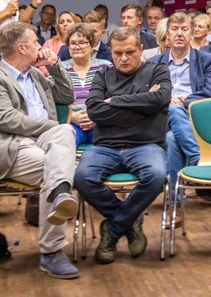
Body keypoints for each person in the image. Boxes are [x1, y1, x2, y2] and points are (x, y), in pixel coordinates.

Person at [0, 22, 79, 279]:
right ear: (22, 48)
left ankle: (60, 195)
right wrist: (51, 126)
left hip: (44, 141)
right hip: (12, 144)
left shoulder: (36, 74)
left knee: (66, 132)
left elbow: (67, 96)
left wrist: (54, 65)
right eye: (35, 42)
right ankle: (52, 250)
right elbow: (8, 120)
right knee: (56, 169)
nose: (40, 46)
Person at [75, 27, 171, 264]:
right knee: (82, 178)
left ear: (141, 49)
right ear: (111, 52)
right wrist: (143, 107)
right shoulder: (102, 76)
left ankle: (113, 228)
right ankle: (129, 221)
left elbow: (161, 98)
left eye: (129, 52)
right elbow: (95, 110)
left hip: (146, 145)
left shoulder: (157, 70)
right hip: (105, 147)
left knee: (157, 176)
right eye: (118, 53)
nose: (124, 58)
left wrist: (114, 101)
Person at [149, 13, 211, 192]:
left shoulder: (206, 60)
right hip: (163, 118)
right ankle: (197, 159)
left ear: (192, 33)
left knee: (172, 139)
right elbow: (147, 95)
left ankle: (175, 198)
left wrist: (185, 101)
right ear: (168, 35)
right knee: (172, 111)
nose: (179, 33)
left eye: (184, 29)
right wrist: (167, 99)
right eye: (174, 29)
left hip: (194, 117)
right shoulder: (153, 64)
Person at [61, 24, 112, 147]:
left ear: (92, 45)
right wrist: (71, 116)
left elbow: (115, 95)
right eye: (73, 43)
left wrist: (96, 115)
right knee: (64, 145)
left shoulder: (105, 66)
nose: (77, 47)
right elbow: (51, 101)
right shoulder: (60, 69)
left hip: (101, 122)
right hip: (71, 123)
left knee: (110, 147)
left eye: (82, 43)